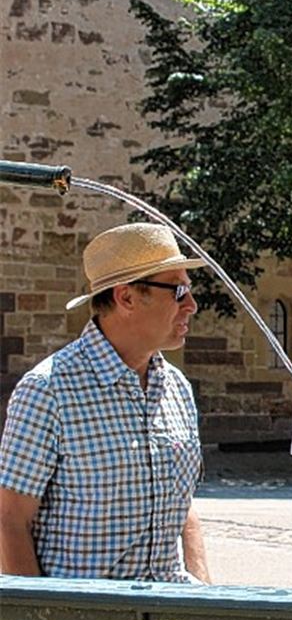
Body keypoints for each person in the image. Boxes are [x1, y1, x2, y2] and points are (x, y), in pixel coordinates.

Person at [0, 222, 210, 583]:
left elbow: (182, 503)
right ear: (126, 297)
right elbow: (9, 520)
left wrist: (205, 592)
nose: (191, 305)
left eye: (189, 290)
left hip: (172, 615)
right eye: (178, 291)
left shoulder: (176, 387)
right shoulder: (48, 390)